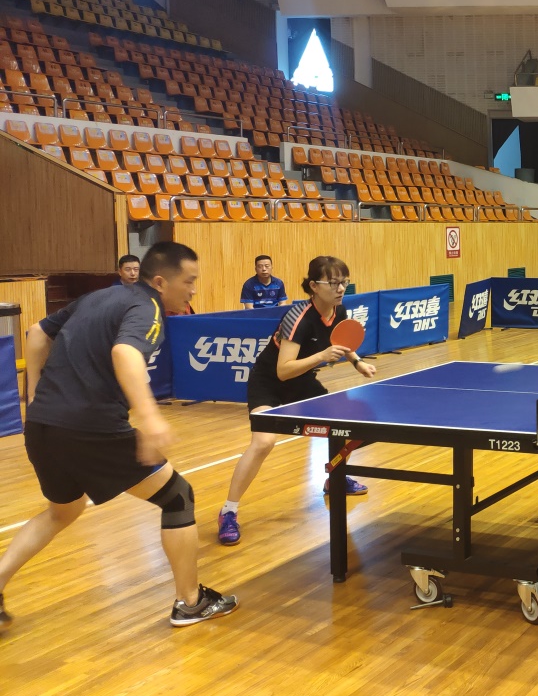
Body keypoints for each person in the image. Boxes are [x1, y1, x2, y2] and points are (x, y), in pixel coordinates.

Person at [0, 242, 237, 632]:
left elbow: (37, 332)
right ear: (160, 282)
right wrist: (150, 416)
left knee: (63, 511)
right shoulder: (149, 309)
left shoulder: (98, 297)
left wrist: (35, 396)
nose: (193, 290)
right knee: (178, 496)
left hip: (43, 425)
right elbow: (125, 353)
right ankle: (190, 602)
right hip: (90, 425)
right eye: (189, 281)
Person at [218, 256, 376, 546]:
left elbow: (341, 340)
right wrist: (320, 356)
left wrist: (357, 362)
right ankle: (228, 511)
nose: (341, 288)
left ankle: (335, 477)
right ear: (314, 286)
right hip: (269, 383)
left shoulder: (339, 310)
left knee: (348, 423)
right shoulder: (298, 317)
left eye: (344, 282)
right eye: (334, 283)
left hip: (302, 383)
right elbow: (283, 370)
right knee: (263, 442)